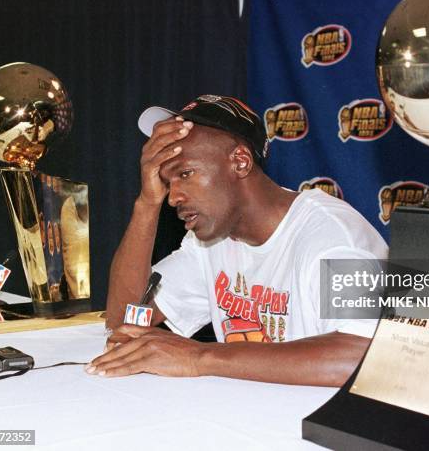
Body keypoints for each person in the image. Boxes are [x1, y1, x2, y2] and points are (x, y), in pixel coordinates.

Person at [86, 95, 388, 386]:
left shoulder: (334, 235)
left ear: (240, 162)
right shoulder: (210, 242)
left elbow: (365, 357)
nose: (173, 197)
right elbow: (123, 319)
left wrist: (199, 357)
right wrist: (147, 203)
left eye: (185, 174)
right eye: (168, 182)